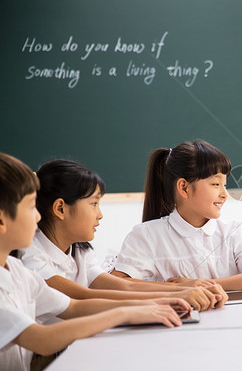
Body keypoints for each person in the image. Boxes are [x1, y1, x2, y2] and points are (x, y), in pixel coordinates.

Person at [0, 153, 190, 371]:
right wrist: (129, 311)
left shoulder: (16, 271)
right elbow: (42, 338)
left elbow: (73, 306)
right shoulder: (28, 260)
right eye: (30, 207)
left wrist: (155, 303)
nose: (37, 216)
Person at [19, 159, 227, 313]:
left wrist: (182, 287)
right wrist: (174, 294)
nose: (100, 214)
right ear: (60, 209)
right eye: (93, 204)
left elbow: (124, 285)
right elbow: (84, 295)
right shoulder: (31, 257)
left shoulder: (78, 250)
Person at [112, 140, 242, 291]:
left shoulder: (233, 231)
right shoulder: (146, 235)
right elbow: (116, 283)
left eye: (225, 185)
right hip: (177, 319)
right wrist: (177, 289)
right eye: (216, 184)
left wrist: (202, 286)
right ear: (184, 188)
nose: (224, 194)